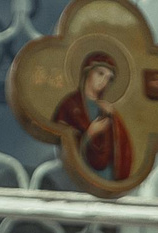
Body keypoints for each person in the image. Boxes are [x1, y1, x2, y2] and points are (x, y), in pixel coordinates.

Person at [53, 52, 136, 182]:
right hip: (75, 178)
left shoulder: (107, 110)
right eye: (100, 73)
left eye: (109, 78)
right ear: (88, 72)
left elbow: (121, 151)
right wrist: (90, 133)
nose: (104, 81)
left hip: (106, 177)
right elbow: (64, 147)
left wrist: (113, 117)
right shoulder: (69, 105)